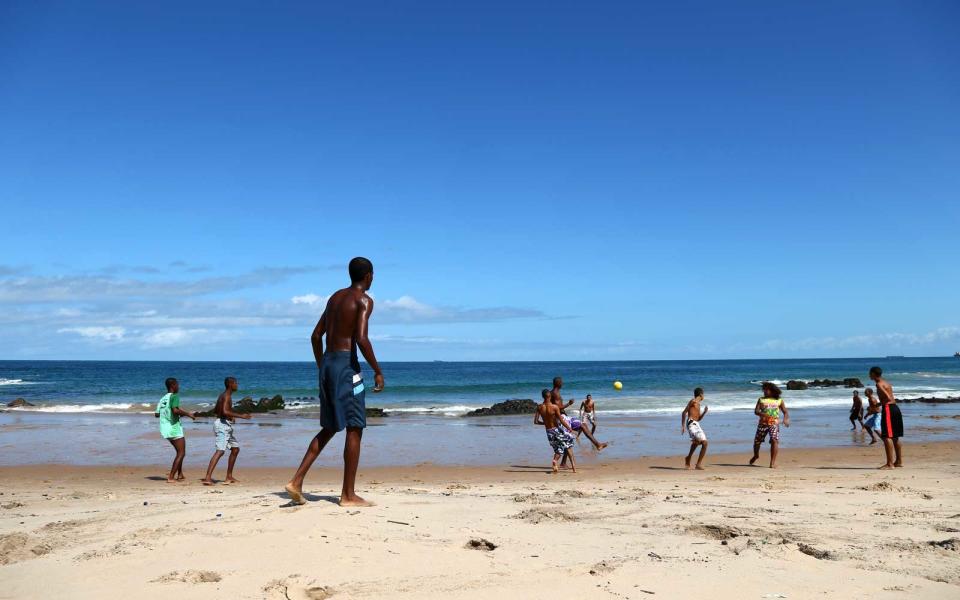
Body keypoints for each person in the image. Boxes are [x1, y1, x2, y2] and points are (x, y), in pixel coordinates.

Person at [284, 257, 385, 507]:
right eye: (373, 275)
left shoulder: (334, 298)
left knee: (330, 426)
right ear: (368, 276)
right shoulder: (363, 300)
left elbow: (316, 335)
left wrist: (322, 366)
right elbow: (361, 339)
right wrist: (378, 370)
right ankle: (348, 495)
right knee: (355, 427)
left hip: (329, 364)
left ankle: (296, 481)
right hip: (347, 369)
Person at [201, 377, 251, 485]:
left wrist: (229, 416)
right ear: (230, 384)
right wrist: (241, 415)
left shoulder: (223, 395)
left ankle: (229, 476)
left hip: (225, 424)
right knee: (220, 451)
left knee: (235, 449)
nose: (237, 385)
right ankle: (208, 478)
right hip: (222, 426)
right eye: (236, 383)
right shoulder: (227, 396)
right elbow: (224, 410)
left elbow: (217, 411)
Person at [155, 377, 196, 483]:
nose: (179, 386)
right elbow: (175, 410)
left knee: (179, 452)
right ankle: (171, 477)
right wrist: (188, 414)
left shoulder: (163, 398)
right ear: (173, 386)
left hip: (165, 429)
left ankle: (180, 474)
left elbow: (157, 414)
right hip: (174, 429)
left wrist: (173, 415)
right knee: (181, 453)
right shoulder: (175, 396)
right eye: (177, 384)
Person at [551, 377, 607, 451]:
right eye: (561, 382)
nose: (562, 383)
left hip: (561, 417)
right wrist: (569, 403)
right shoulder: (556, 393)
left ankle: (597, 444)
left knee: (582, 427)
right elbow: (558, 407)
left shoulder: (553, 392)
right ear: (558, 383)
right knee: (582, 426)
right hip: (561, 418)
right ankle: (597, 444)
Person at [749, 381, 790, 469]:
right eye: (763, 390)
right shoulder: (761, 399)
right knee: (757, 442)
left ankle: (772, 463)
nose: (764, 391)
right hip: (762, 424)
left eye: (766, 390)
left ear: (772, 390)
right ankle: (756, 456)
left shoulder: (779, 400)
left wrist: (785, 419)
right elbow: (756, 411)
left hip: (774, 424)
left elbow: (785, 412)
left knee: (774, 440)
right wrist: (762, 414)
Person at [535, 389, 576, 473]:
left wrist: (545, 423)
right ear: (550, 396)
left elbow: (536, 422)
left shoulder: (539, 407)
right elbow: (561, 420)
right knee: (569, 444)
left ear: (543, 396)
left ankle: (555, 461)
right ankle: (573, 469)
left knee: (558, 449)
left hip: (548, 432)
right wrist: (569, 428)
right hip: (557, 430)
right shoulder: (554, 407)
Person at [870, 366, 903, 469]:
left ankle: (889, 464)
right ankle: (898, 461)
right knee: (894, 436)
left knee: (886, 436)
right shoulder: (886, 383)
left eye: (870, 373)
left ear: (873, 374)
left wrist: (881, 404)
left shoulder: (879, 384)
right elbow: (889, 397)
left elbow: (887, 397)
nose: (869, 375)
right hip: (895, 408)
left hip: (888, 409)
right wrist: (879, 405)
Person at [681, 387, 709, 470]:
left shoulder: (699, 405)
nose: (704, 396)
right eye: (703, 394)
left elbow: (698, 418)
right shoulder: (692, 401)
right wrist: (683, 426)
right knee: (699, 441)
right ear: (701, 394)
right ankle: (689, 458)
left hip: (697, 424)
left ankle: (697, 463)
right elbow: (684, 412)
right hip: (691, 424)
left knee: (704, 443)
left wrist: (704, 412)